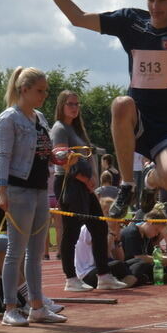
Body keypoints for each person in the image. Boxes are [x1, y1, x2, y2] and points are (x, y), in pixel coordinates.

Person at [25, 0, 167, 219]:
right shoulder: (130, 21)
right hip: (137, 118)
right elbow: (78, 19)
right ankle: (127, 185)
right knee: (121, 103)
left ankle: (150, 179)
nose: (155, 7)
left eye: (162, 0)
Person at [0, 66, 66, 326]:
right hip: (18, 189)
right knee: (16, 252)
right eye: (39, 91)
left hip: (39, 190)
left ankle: (37, 306)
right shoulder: (8, 119)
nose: (43, 95)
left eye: (45, 91)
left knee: (36, 253)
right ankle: (10, 307)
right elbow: (2, 156)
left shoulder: (39, 118)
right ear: (23, 90)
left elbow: (44, 151)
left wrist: (59, 156)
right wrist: (2, 191)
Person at [51, 90, 126, 292]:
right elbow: (63, 160)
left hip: (84, 184)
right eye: (70, 104)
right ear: (61, 106)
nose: (74, 107)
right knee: (72, 230)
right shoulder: (60, 129)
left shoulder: (76, 129)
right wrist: (86, 179)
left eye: (77, 104)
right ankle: (71, 279)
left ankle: (103, 275)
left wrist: (91, 178)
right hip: (70, 183)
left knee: (99, 227)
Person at [120, 206, 167, 284]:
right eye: (156, 230)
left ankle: (165, 274)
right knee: (141, 264)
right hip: (126, 266)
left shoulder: (147, 235)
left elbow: (151, 255)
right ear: (150, 222)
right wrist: (165, 260)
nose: (156, 234)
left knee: (160, 266)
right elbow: (139, 257)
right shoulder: (132, 232)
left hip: (137, 265)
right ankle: (156, 276)